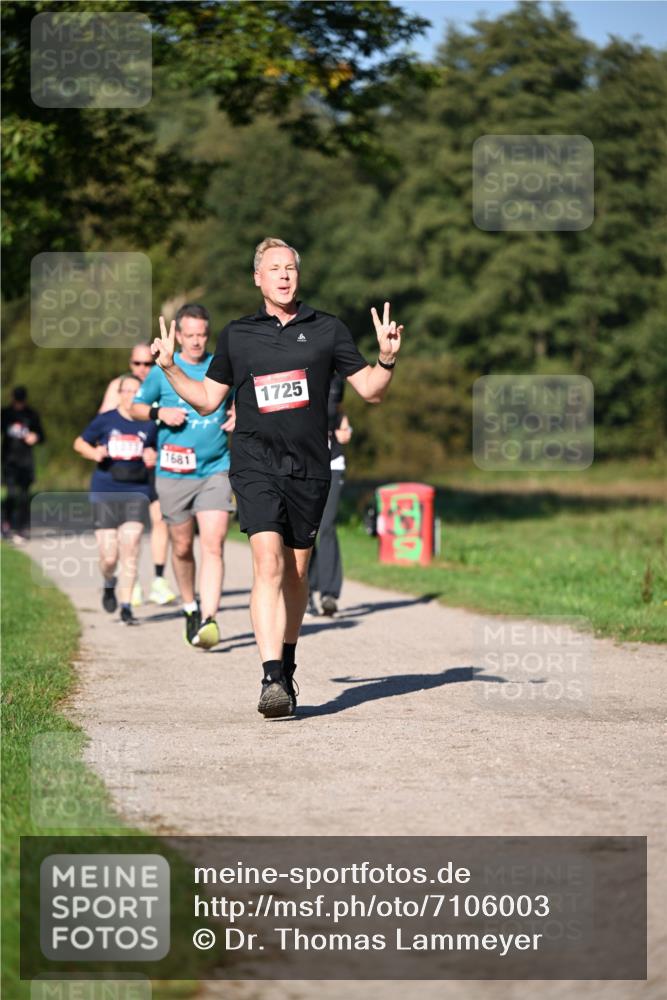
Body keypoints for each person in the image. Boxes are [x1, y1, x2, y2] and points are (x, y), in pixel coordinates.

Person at [150, 237, 403, 718]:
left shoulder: (327, 329)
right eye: (274, 268)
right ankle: (270, 678)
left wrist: (387, 359)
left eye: (291, 267)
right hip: (253, 462)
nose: (284, 275)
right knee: (267, 561)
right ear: (257, 278)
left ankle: (286, 662)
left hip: (310, 467)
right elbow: (207, 399)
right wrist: (168, 370)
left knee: (297, 571)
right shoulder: (238, 335)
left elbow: (370, 390)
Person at [132, 304, 233, 650]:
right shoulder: (162, 370)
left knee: (214, 542)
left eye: (201, 335)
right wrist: (161, 411)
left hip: (215, 468)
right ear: (178, 335)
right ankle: (190, 605)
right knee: (181, 545)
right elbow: (133, 407)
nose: (195, 342)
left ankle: (208, 617)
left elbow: (240, 402)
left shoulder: (220, 364)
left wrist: (238, 415)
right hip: (173, 472)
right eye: (189, 335)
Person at [73, 374, 157, 625]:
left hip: (137, 490)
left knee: (130, 546)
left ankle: (127, 605)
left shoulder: (150, 423)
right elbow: (79, 443)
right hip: (105, 490)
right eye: (127, 390)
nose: (131, 395)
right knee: (109, 556)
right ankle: (109, 582)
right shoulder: (106, 420)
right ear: (119, 393)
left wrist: (153, 454)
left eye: (136, 391)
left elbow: (157, 448)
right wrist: (94, 452)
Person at [99, 343, 175, 608]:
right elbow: (104, 423)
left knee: (160, 519)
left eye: (148, 363)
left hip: (159, 461)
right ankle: (129, 584)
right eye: (137, 364)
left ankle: (158, 579)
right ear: (130, 364)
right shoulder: (119, 386)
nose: (143, 369)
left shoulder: (163, 380)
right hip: (127, 468)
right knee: (126, 531)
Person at [307, 373, 351, 617]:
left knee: (327, 525)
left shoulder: (336, 379)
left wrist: (344, 425)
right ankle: (305, 593)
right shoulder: (295, 369)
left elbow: (339, 408)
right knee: (305, 528)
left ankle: (329, 594)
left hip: (332, 461)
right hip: (303, 463)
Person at [1, 386, 45, 543]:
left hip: (26, 461)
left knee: (25, 496)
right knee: (12, 494)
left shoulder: (31, 415)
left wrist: (36, 437)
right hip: (9, 461)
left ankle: (22, 528)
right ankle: (5, 524)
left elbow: (42, 436)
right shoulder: (5, 414)